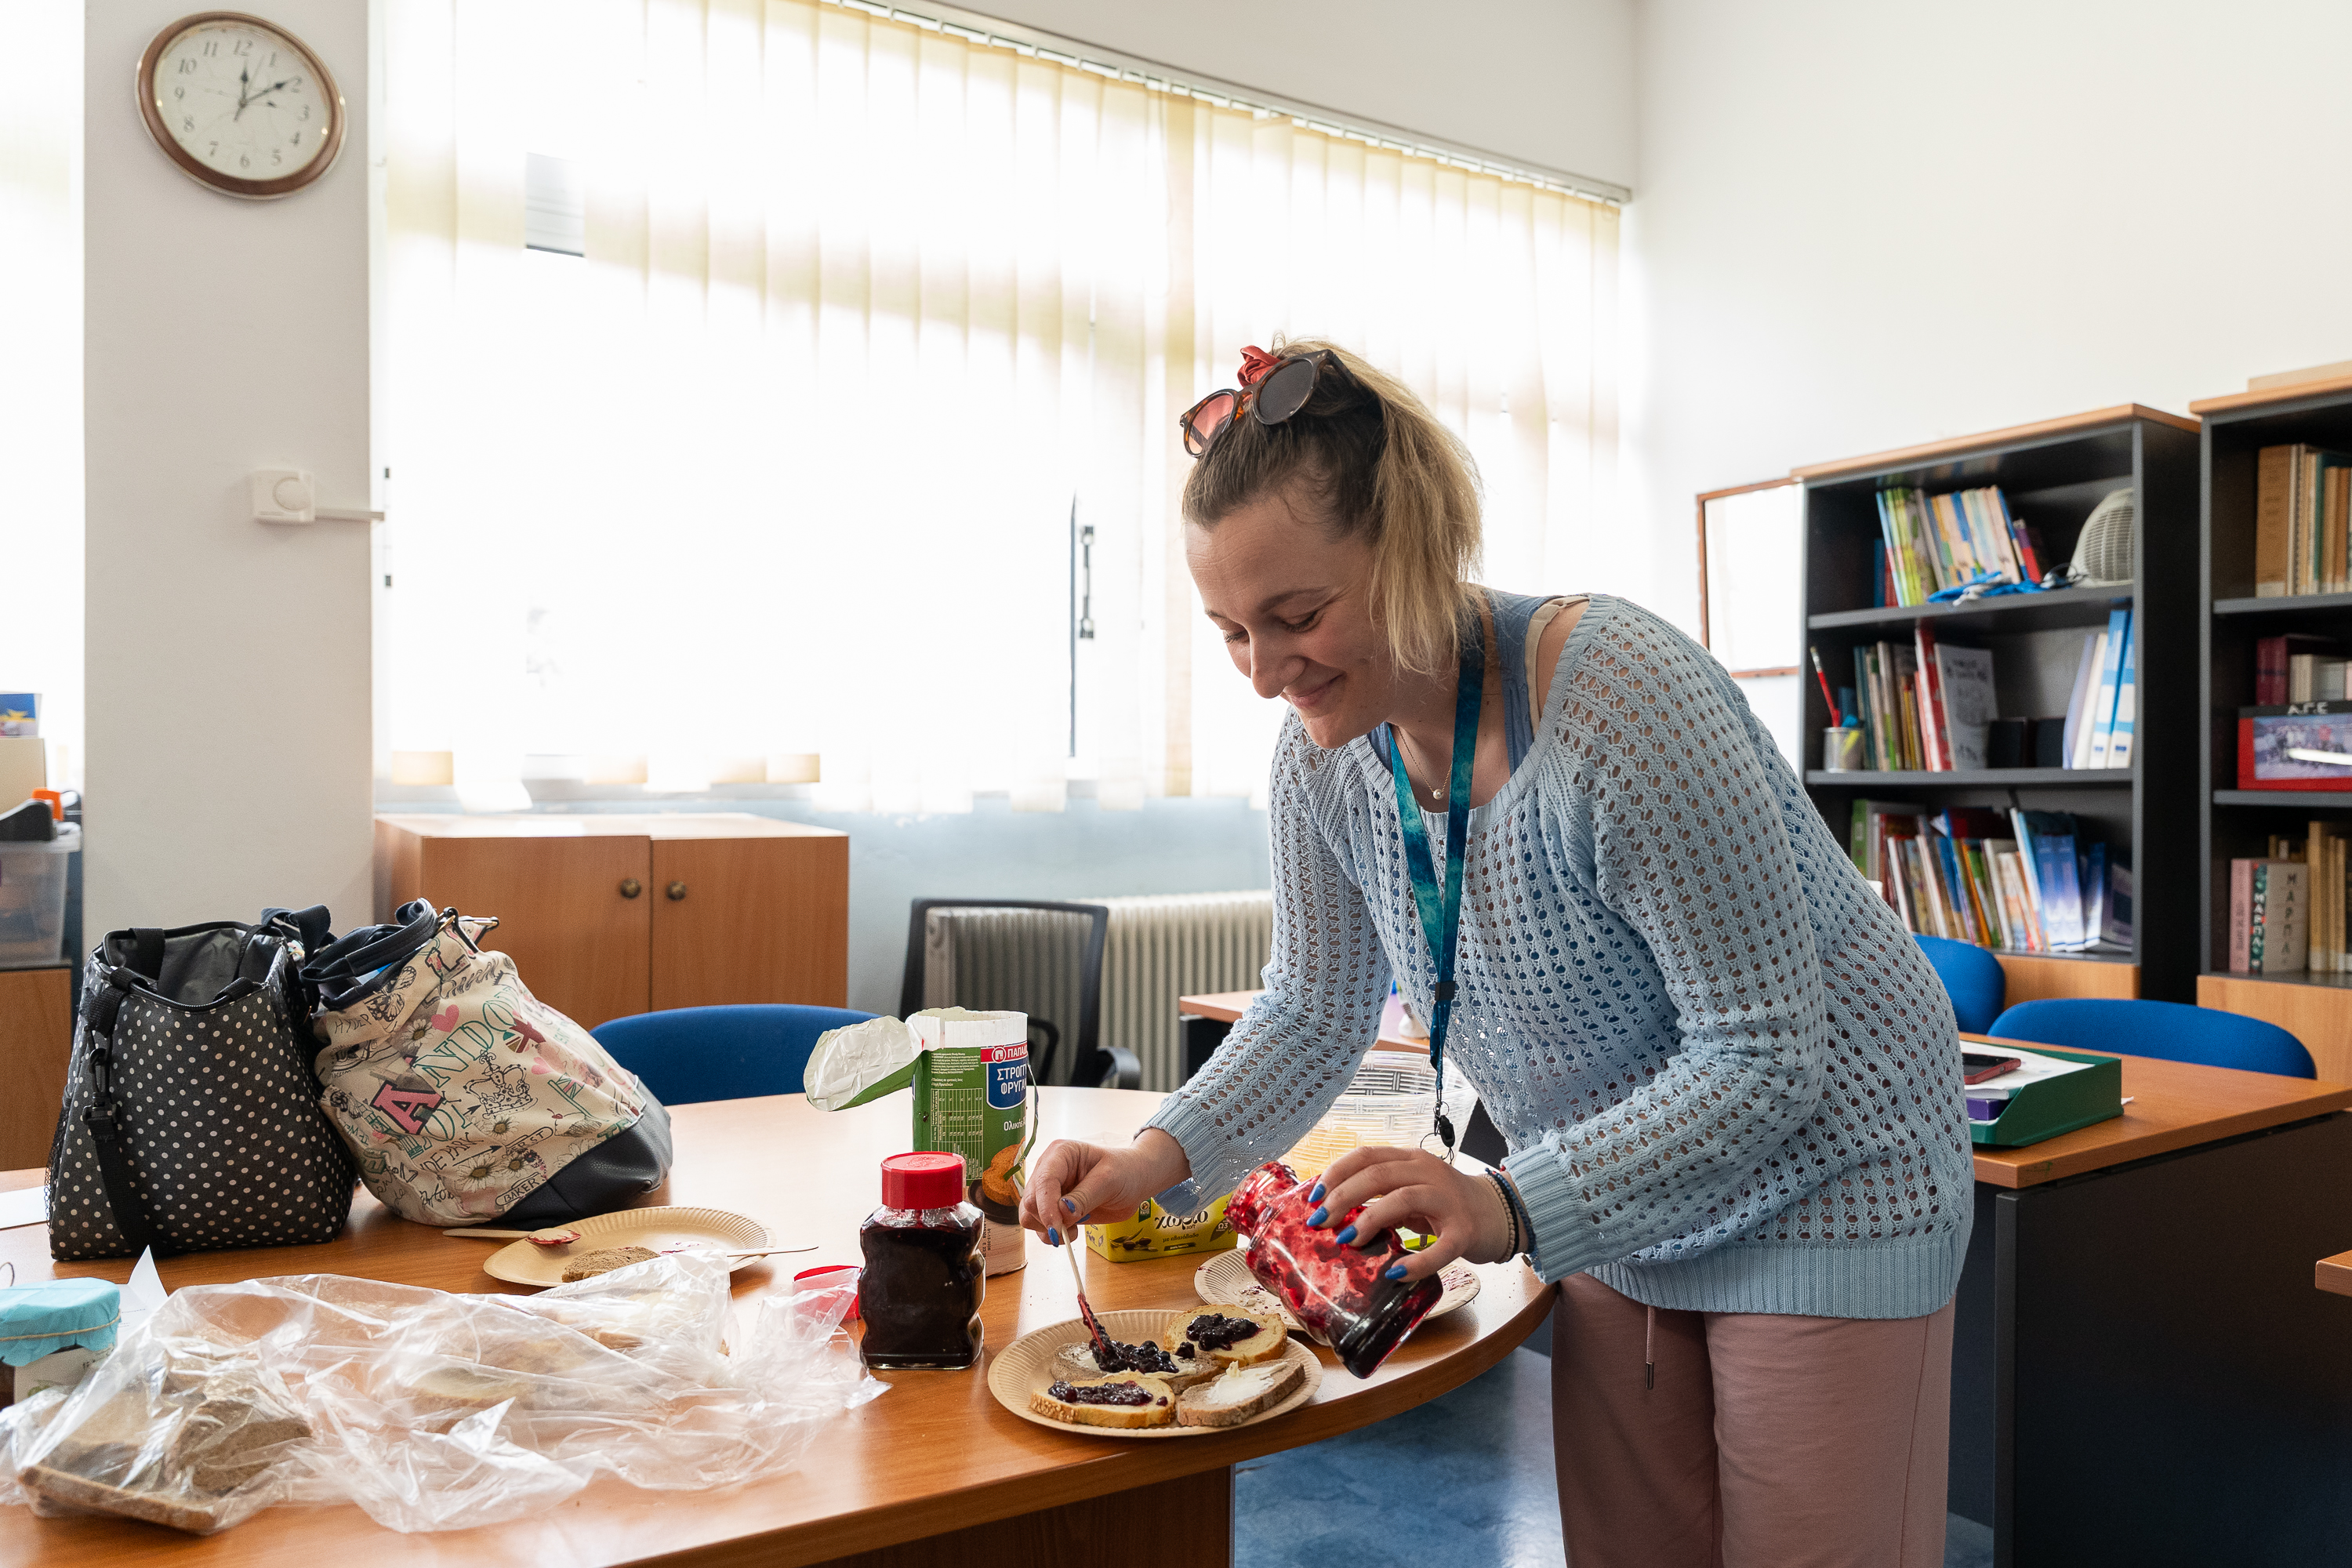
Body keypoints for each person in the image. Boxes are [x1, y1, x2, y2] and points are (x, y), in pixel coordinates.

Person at [1018, 339, 1973, 1567]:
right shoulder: (1324, 752)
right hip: (1620, 1187)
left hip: (1829, 1175)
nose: (1263, 674)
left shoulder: (1619, 696)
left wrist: (1505, 1199)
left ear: (1411, 549)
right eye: (1230, 632)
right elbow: (1314, 1005)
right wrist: (1154, 1156)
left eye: (1297, 617)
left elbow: (1764, 1053)